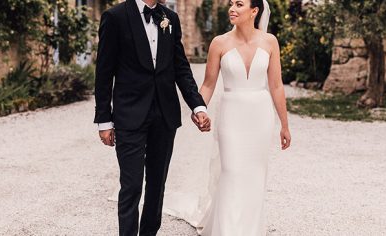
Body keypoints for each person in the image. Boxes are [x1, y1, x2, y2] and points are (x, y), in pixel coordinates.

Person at [93, 0, 211, 235]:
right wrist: (104, 120)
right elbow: (104, 73)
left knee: (157, 185)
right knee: (132, 185)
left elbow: (181, 67)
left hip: (164, 115)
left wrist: (198, 106)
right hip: (129, 115)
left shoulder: (171, 18)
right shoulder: (115, 17)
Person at [191, 0, 291, 235]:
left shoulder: (270, 42)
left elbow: (276, 86)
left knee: (255, 174)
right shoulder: (219, 43)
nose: (232, 8)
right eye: (231, 4)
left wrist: (284, 125)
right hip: (231, 114)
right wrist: (199, 109)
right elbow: (208, 84)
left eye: (239, 4)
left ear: (254, 11)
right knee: (232, 170)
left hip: (260, 116)